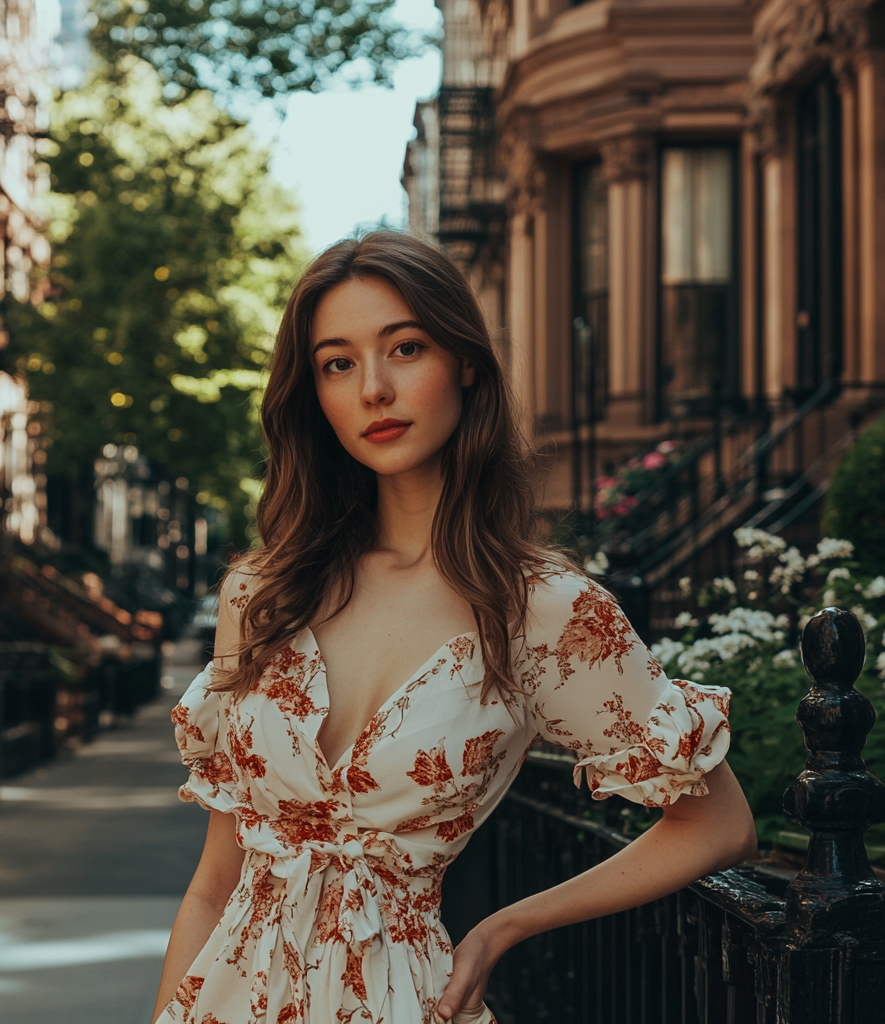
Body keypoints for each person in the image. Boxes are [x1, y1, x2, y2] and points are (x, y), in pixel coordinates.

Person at [150, 231, 757, 1024]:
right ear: (315, 394)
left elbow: (718, 824)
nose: (374, 387)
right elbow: (215, 883)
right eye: (338, 363)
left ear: (464, 362)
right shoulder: (261, 595)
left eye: (405, 348)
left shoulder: (542, 609)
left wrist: (509, 924)